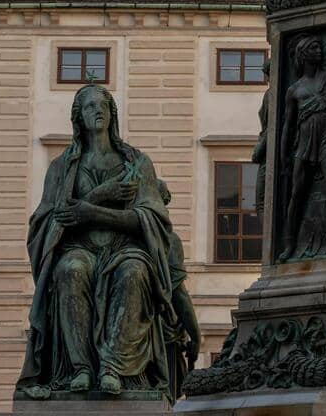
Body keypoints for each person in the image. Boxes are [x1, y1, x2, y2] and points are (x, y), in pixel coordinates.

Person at [17, 84, 197, 398]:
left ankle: (112, 367)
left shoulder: (138, 163)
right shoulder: (61, 167)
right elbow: (51, 221)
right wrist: (101, 196)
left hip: (126, 248)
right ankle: (81, 368)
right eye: (90, 106)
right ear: (78, 117)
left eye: (103, 105)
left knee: (134, 272)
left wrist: (90, 212)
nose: (98, 110)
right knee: (70, 270)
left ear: (112, 114)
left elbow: (149, 220)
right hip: (79, 247)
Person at [276, 31, 326, 259]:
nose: (319, 50)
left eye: (319, 46)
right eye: (314, 47)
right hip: (304, 142)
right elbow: (288, 125)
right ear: (303, 54)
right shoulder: (294, 89)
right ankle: (289, 244)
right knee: (297, 193)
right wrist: (284, 155)